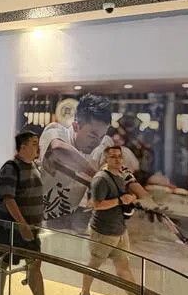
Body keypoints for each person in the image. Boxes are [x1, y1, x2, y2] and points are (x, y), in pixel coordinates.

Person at [0, 132, 68, 295]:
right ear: (22, 147)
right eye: (34, 144)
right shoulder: (10, 168)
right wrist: (22, 225)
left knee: (35, 264)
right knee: (3, 262)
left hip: (31, 229)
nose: (38, 147)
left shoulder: (34, 166)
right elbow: (8, 199)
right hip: (11, 229)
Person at [38, 94, 139, 229]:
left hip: (67, 221)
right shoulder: (55, 131)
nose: (96, 142)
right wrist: (99, 177)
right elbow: (59, 149)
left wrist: (138, 196)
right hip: (35, 219)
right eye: (92, 135)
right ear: (76, 126)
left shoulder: (99, 148)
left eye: (101, 136)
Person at [78, 146, 155, 295]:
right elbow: (96, 205)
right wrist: (121, 200)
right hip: (103, 232)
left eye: (120, 156)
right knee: (94, 265)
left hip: (119, 230)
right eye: (113, 157)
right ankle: (84, 294)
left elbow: (126, 193)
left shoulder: (120, 175)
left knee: (123, 266)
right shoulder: (101, 179)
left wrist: (131, 199)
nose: (118, 159)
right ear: (106, 159)